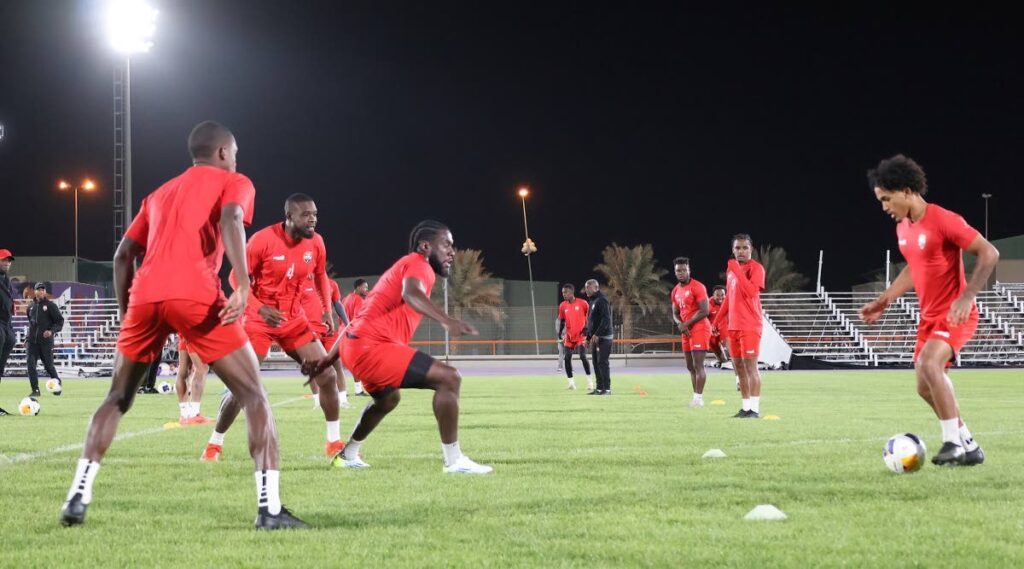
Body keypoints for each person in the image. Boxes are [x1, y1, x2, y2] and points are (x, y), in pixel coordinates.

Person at [60, 121, 305, 530]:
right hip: (195, 295)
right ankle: (270, 509)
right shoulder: (236, 181)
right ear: (225, 153)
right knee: (254, 396)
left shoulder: (158, 193)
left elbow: (124, 255)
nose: (236, 160)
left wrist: (127, 314)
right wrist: (243, 284)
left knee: (117, 397)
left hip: (145, 298)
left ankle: (78, 494)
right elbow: (231, 219)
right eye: (236, 154)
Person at [302, 220, 493, 474]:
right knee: (449, 378)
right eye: (446, 244)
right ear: (426, 246)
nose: (452, 252)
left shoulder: (402, 268)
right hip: (373, 348)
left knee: (388, 399)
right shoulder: (419, 265)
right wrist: (446, 320)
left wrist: (325, 362)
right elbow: (411, 293)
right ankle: (454, 460)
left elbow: (354, 324)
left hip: (355, 347)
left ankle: (348, 454)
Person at [859, 154, 997, 466]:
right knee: (923, 386)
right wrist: (884, 299)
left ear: (906, 191)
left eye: (887, 199)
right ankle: (969, 444)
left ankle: (951, 443)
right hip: (929, 317)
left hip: (955, 313)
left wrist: (968, 296)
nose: (884, 208)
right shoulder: (904, 229)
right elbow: (913, 268)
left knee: (931, 365)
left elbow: (989, 252)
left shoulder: (944, 219)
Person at [202, 193, 341, 463]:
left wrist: (326, 309)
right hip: (259, 321)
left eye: (315, 214)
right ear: (288, 217)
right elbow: (234, 276)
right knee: (242, 386)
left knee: (327, 376)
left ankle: (334, 443)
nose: (312, 219)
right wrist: (258, 307)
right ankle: (214, 443)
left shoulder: (317, 243)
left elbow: (321, 274)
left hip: (294, 319)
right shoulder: (262, 240)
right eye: (306, 215)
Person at [712, 234, 765, 418]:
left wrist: (736, 270)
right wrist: (717, 321)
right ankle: (745, 408)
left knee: (751, 367)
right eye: (737, 248)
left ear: (751, 249)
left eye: (745, 248)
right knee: (739, 368)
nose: (741, 251)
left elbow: (751, 292)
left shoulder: (756, 268)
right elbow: (729, 299)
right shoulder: (731, 272)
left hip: (750, 325)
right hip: (733, 326)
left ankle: (755, 410)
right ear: (732, 250)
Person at [301, 274, 351, 408]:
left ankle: (343, 400)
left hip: (328, 330)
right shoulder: (300, 282)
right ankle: (317, 403)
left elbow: (338, 304)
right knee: (312, 366)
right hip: (310, 331)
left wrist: (347, 323)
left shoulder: (332, 284)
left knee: (336, 364)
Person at [670, 258, 710, 408]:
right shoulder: (675, 290)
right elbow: (674, 312)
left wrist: (686, 323)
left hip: (699, 328)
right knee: (690, 366)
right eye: (678, 270)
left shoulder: (698, 287)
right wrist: (680, 323)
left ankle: (699, 398)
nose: (681, 273)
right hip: (686, 330)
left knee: (698, 365)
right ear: (675, 272)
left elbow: (704, 311)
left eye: (684, 270)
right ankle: (695, 396)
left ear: (689, 270)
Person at [25, 282, 64, 397]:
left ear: (45, 292)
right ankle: (35, 390)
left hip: (46, 342)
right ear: (35, 292)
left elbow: (59, 322)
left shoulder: (51, 306)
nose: (41, 291)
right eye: (39, 289)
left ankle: (57, 384)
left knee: (48, 366)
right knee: (30, 364)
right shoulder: (30, 307)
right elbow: (31, 325)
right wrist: (27, 338)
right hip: (32, 342)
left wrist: (51, 331)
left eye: (43, 289)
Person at [557, 283, 592, 391]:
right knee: (567, 358)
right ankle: (571, 383)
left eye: (565, 292)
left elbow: (590, 316)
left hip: (581, 335)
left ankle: (590, 382)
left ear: (571, 292)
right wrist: (560, 332)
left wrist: (587, 329)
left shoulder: (583, 303)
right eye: (562, 292)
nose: (563, 294)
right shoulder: (562, 305)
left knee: (582, 356)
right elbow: (562, 320)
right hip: (569, 336)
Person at [583, 279, 613, 395]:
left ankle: (607, 389)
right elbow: (592, 323)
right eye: (585, 287)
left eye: (588, 287)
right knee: (596, 363)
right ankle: (599, 388)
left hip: (604, 337)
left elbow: (606, 320)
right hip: (595, 338)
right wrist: (588, 338)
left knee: (602, 362)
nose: (586, 290)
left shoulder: (602, 300)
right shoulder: (592, 301)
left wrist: (598, 334)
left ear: (596, 287)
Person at [175, 335, 212, 425]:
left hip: (183, 333)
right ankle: (194, 414)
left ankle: (184, 414)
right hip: (195, 334)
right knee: (202, 368)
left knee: (184, 371)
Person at [342, 278, 369, 396]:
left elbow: (341, 316)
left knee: (343, 363)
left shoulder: (346, 299)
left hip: (343, 332)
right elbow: (359, 319)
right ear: (358, 287)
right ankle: (358, 390)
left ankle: (341, 390)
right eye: (365, 287)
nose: (366, 290)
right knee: (358, 363)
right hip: (354, 334)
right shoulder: (358, 300)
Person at [706, 286, 729, 367]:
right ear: (713, 295)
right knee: (712, 341)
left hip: (725, 327)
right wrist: (710, 328)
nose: (720, 297)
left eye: (722, 295)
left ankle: (732, 357)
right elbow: (703, 318)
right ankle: (722, 360)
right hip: (712, 329)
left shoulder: (728, 302)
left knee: (724, 326)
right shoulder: (708, 303)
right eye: (717, 295)